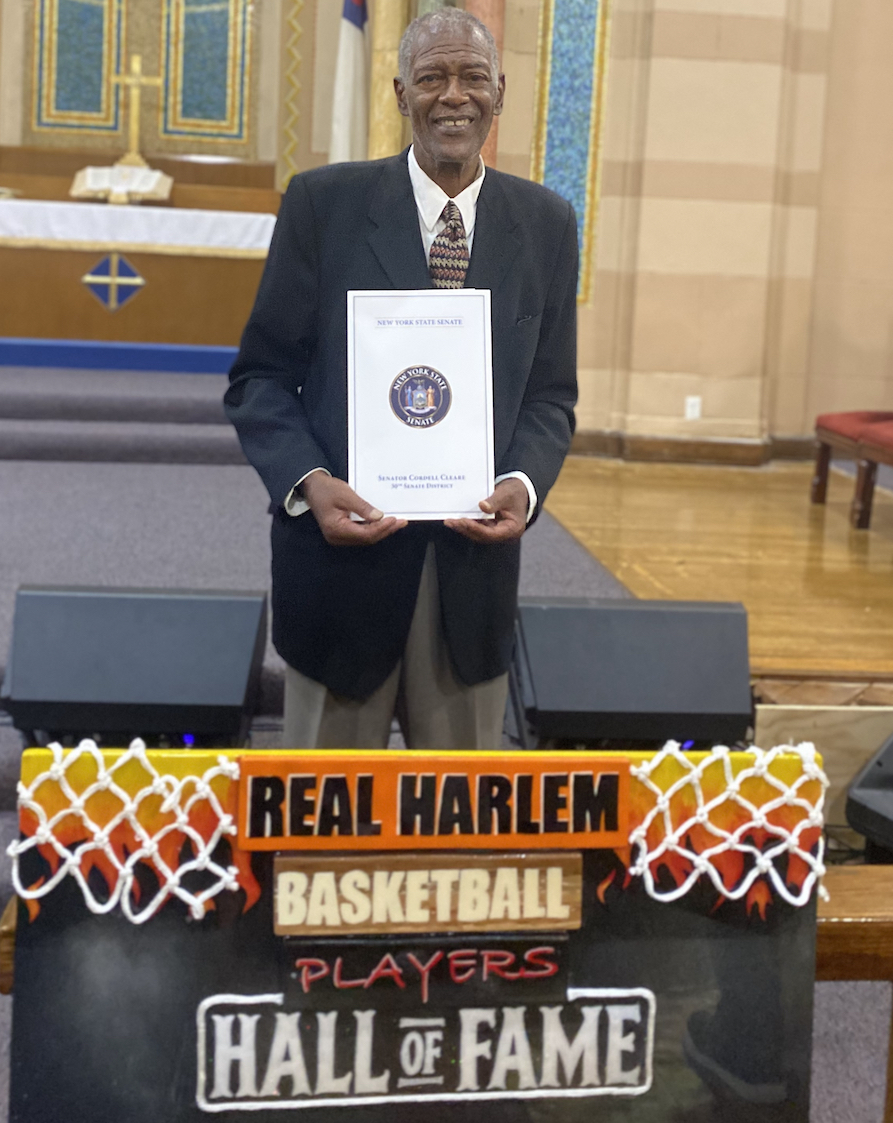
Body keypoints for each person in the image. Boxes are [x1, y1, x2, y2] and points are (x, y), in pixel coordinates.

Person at [224, 8, 577, 750]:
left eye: (473, 77)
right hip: (339, 571)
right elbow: (260, 378)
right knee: (326, 835)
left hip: (471, 581)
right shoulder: (323, 207)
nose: (455, 95)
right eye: (433, 77)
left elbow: (550, 394)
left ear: (500, 93)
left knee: (454, 841)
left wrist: (523, 482)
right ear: (399, 94)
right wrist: (308, 481)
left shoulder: (546, 224)